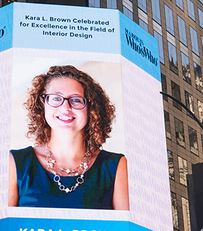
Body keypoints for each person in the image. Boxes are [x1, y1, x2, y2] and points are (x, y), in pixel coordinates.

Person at [8, 65, 129, 210]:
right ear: (42, 105)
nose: (65, 108)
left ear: (91, 108)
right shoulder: (16, 162)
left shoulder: (115, 166)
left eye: (76, 100)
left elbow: (126, 225)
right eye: (56, 98)